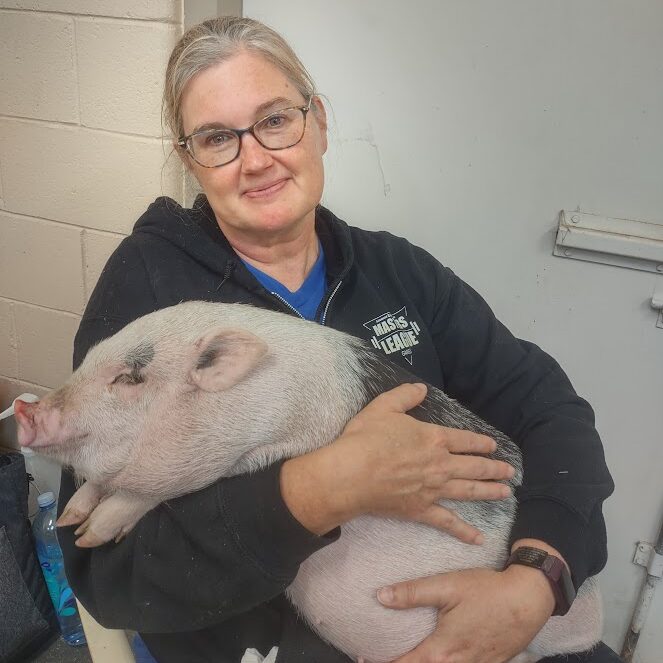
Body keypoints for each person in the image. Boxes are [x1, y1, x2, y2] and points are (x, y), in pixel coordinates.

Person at [57, 16, 616, 663]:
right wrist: (319, 488)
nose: (256, 158)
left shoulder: (395, 270)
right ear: (190, 159)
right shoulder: (151, 290)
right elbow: (110, 574)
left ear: (317, 120)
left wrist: (537, 576)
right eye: (217, 138)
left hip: (481, 616)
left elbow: (551, 413)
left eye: (274, 120)